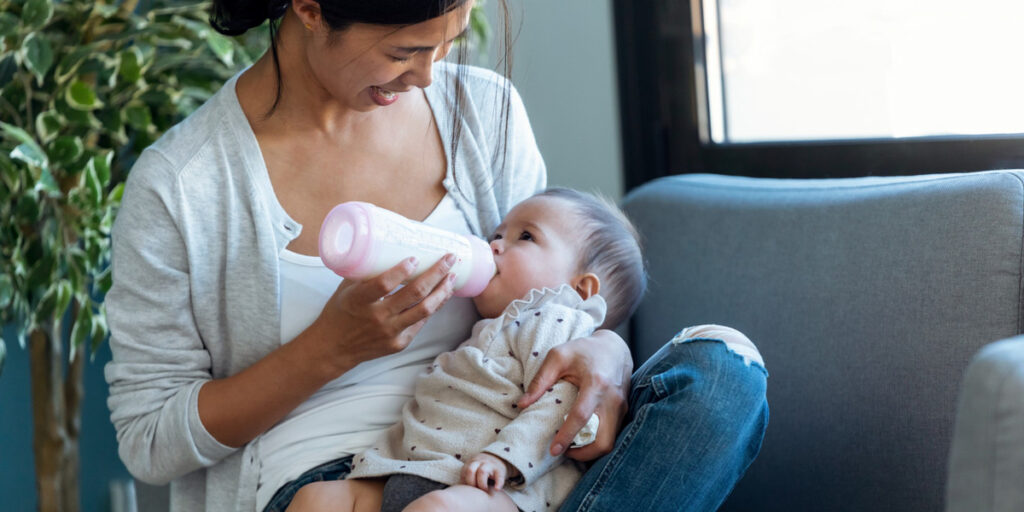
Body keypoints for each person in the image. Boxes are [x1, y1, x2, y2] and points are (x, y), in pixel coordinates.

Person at [103, 1, 769, 511]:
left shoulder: (483, 111)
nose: (428, 76)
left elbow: (559, 287)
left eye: (447, 42)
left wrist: (608, 355)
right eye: (405, 51)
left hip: (509, 461)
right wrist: (330, 349)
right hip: (339, 480)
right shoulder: (184, 184)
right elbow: (149, 440)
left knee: (723, 371)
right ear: (308, 9)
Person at [285, 187, 649, 512]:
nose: (494, 244)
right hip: (410, 472)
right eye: (497, 233)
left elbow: (560, 406)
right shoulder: (484, 329)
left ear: (581, 290)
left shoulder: (554, 321)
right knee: (315, 500)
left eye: (525, 236)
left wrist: (503, 460)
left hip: (497, 490)